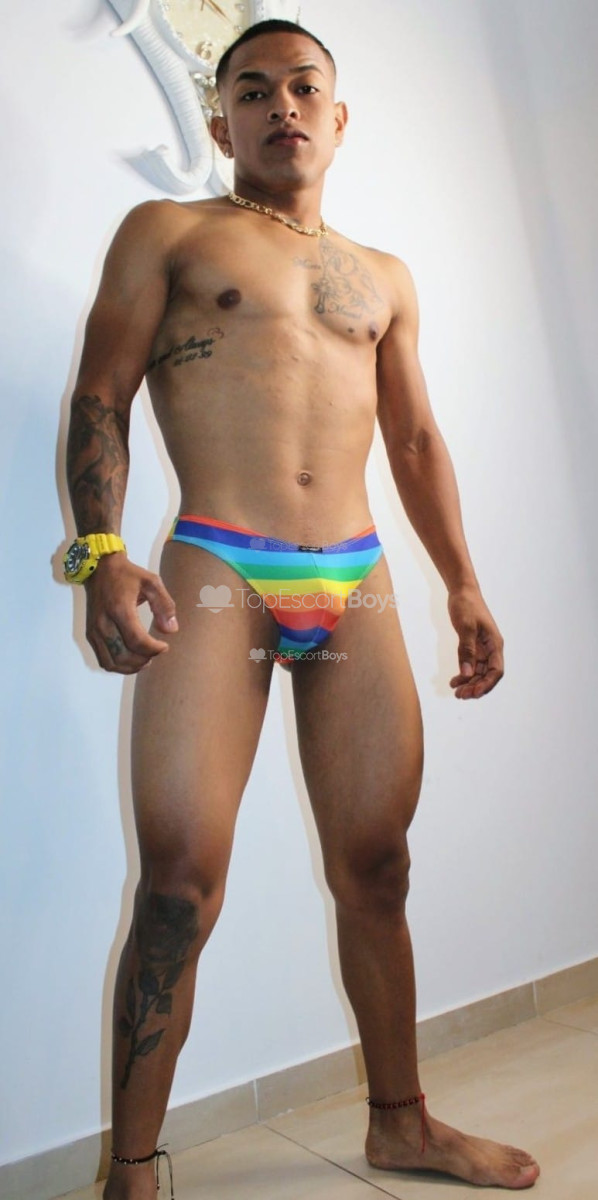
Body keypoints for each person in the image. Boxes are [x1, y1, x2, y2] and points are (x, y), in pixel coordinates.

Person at [64, 19, 540, 1198]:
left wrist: (463, 581)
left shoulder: (383, 277)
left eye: (302, 87)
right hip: (217, 567)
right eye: (251, 90)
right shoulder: (169, 231)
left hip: (356, 576)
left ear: (337, 117)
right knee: (177, 885)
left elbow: (414, 439)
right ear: (219, 121)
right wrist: (100, 553)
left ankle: (401, 1124)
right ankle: (131, 1171)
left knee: (376, 868)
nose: (280, 105)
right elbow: (100, 394)